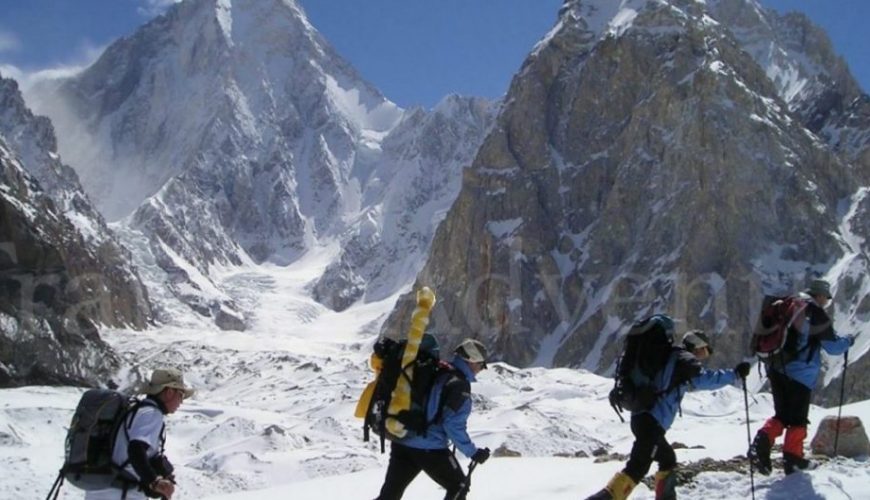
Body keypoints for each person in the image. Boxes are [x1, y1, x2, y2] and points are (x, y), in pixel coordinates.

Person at [588, 329, 750, 500]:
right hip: (652, 423)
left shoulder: (670, 357)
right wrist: (735, 374)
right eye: (704, 350)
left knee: (667, 459)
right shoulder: (684, 360)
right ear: (697, 346)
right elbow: (704, 379)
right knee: (637, 469)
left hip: (641, 418)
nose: (704, 356)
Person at [748, 279, 855, 475]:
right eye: (826, 298)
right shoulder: (814, 313)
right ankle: (793, 459)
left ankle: (760, 444)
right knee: (798, 419)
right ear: (820, 295)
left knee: (782, 415)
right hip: (800, 374)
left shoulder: (789, 304)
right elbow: (833, 347)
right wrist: (848, 341)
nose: (826, 302)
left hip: (776, 368)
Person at [374, 338, 491, 500]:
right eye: (481, 365)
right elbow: (452, 424)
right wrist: (473, 452)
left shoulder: (439, 369)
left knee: (390, 495)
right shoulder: (459, 385)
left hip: (403, 439)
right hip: (429, 447)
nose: (481, 369)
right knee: (458, 485)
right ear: (471, 361)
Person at [85, 367, 194, 500]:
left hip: (103, 490)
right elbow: (136, 449)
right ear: (169, 392)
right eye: (181, 395)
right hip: (122, 493)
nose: (181, 401)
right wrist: (154, 482)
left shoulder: (136, 411)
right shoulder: (152, 413)